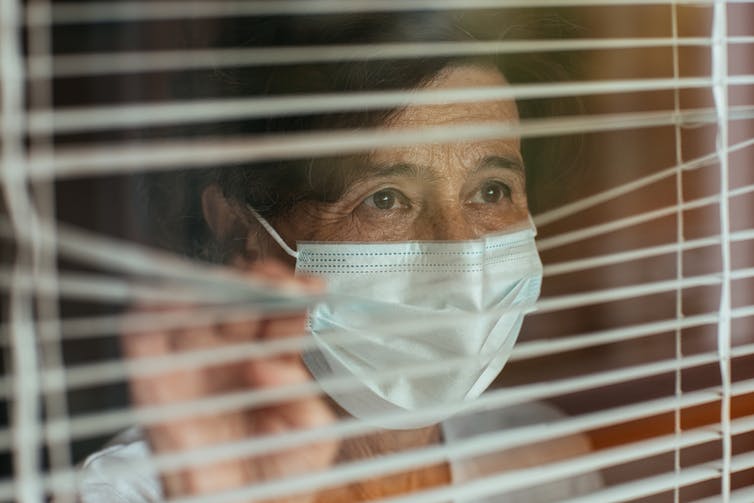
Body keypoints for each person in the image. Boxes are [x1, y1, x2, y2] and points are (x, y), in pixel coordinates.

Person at [77, 11, 601, 503]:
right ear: (240, 230)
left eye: (491, 191)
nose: (461, 253)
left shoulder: (543, 463)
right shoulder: (144, 490)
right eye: (385, 199)